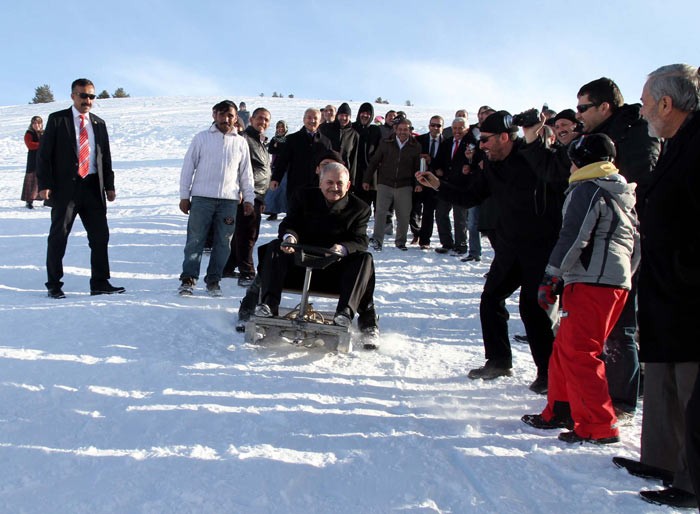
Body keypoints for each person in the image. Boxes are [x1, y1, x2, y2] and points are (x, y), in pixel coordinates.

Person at [416, 111, 568, 393]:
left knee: (532, 309)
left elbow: (558, 175)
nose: (481, 146)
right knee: (491, 299)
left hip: (541, 246)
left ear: (504, 137)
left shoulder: (533, 156)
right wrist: (438, 186)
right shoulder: (491, 164)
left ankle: (549, 372)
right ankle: (498, 360)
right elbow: (471, 196)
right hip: (510, 245)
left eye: (486, 140)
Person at [612, 64, 700, 509]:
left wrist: (684, 271)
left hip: (689, 292)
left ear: (667, 103)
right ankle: (662, 459)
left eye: (646, 102)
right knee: (663, 373)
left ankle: (693, 479)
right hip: (664, 286)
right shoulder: (674, 143)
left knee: (691, 384)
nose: (642, 110)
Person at [521, 133, 639, 445]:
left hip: (591, 281)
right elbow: (636, 244)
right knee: (565, 346)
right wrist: (622, 276)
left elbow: (574, 235)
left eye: (572, 159)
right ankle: (561, 409)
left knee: (580, 352)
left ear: (582, 161)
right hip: (614, 282)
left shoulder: (587, 188)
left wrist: (551, 276)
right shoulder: (622, 192)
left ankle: (598, 424)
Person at [576, 77, 661, 421]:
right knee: (610, 323)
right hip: (603, 238)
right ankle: (624, 387)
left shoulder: (635, 130)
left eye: (583, 108)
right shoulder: (599, 134)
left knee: (623, 321)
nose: (579, 114)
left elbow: (643, 178)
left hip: (627, 238)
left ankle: (624, 400)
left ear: (603, 107)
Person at [254, 162, 380, 348]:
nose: (334, 187)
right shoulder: (303, 196)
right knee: (274, 247)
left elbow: (360, 240)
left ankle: (346, 313)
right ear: (321, 183)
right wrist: (290, 238)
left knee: (364, 259)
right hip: (298, 265)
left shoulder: (359, 208)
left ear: (348, 185)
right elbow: (290, 223)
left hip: (334, 271)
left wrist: (343, 248)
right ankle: (268, 304)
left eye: (339, 183)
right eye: (329, 182)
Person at [36, 78, 125, 299]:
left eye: (91, 96)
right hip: (66, 189)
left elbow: (105, 158)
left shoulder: (99, 123)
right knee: (59, 236)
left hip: (94, 188)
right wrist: (45, 184)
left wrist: (110, 186)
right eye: (83, 95)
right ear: (73, 96)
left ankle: (100, 282)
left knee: (100, 237)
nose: (87, 100)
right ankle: (54, 284)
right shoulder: (57, 120)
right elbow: (44, 156)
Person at [178, 100, 255, 297]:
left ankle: (214, 280)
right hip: (202, 198)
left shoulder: (240, 142)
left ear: (236, 118)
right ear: (214, 115)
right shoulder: (201, 138)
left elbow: (246, 173)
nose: (226, 119)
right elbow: (188, 167)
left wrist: (249, 199)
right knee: (195, 240)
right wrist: (184, 196)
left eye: (230, 115)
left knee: (223, 242)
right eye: (222, 114)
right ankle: (188, 279)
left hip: (228, 201)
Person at [223, 107, 272, 287]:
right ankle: (247, 271)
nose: (263, 122)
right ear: (251, 119)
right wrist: (242, 191)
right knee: (248, 234)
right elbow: (237, 167)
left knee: (243, 233)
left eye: (266, 120)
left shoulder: (260, 142)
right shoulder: (244, 139)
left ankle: (227, 267)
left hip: (257, 194)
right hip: (246, 194)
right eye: (260, 118)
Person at [363, 118, 421, 251]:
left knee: (404, 215)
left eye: (405, 129)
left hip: (404, 184)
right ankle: (377, 240)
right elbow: (374, 162)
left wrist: (418, 183)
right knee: (381, 213)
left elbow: (417, 167)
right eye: (400, 129)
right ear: (395, 129)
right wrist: (367, 180)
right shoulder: (386, 143)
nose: (402, 132)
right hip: (385, 183)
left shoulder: (415, 146)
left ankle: (400, 241)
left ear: (410, 131)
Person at [433, 116, 476, 256]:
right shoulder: (446, 143)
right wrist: (438, 169)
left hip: (462, 186)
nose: (457, 131)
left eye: (460, 128)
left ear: (467, 129)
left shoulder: (472, 144)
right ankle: (447, 243)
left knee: (460, 218)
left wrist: (469, 166)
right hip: (446, 184)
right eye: (455, 128)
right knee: (440, 214)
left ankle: (461, 245)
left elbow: (476, 162)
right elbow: (438, 160)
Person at [270, 108, 332, 203]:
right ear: (304, 120)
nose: (312, 121)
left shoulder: (325, 142)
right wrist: (276, 178)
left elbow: (329, 164)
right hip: (296, 185)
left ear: (320, 121)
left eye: (315, 118)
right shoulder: (292, 139)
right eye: (309, 118)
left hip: (317, 186)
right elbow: (283, 161)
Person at [413, 115, 445, 249]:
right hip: (418, 180)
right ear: (429, 126)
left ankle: (424, 240)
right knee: (413, 210)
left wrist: (431, 160)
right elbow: (412, 160)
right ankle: (415, 233)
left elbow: (446, 163)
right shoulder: (419, 140)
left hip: (434, 183)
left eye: (438, 125)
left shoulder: (446, 143)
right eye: (433, 125)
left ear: (442, 128)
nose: (435, 128)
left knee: (428, 212)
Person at [352, 102, 382, 210]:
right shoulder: (352, 127)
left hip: (371, 174)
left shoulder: (375, 130)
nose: (365, 115)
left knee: (370, 207)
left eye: (368, 114)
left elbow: (379, 152)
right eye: (363, 113)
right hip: (354, 173)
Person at [320, 102, 359, 183]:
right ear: (337, 115)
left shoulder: (354, 134)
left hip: (343, 175)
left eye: (346, 115)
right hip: (325, 173)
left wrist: (352, 179)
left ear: (350, 117)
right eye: (341, 115)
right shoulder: (326, 128)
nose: (343, 118)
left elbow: (353, 158)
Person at [263, 120, 288, 221]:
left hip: (286, 168)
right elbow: (271, 150)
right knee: (274, 191)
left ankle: (288, 211)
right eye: (279, 127)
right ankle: (273, 211)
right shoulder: (275, 139)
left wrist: (277, 148)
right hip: (275, 168)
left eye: (282, 127)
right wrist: (276, 148)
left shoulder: (288, 139)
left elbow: (285, 151)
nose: (280, 129)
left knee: (285, 191)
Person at [22, 115, 43, 209]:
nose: (36, 125)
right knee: (32, 179)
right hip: (33, 159)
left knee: (43, 179)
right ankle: (29, 201)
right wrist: (42, 144)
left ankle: (45, 199)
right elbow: (30, 145)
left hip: (43, 159)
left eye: (38, 123)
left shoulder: (44, 133)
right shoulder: (29, 133)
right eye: (34, 123)